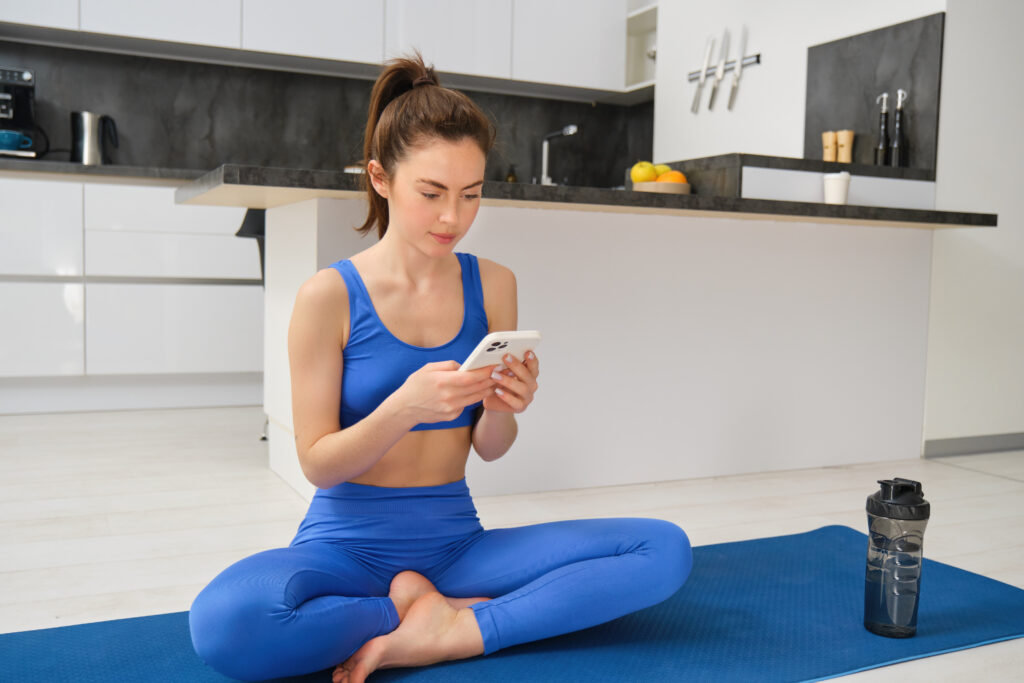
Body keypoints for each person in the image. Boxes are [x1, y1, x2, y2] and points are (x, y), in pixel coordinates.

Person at [189, 53, 693, 683]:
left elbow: (490, 447)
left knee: (663, 549)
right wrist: (404, 407)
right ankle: (408, 609)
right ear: (381, 177)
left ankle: (458, 629)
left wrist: (506, 409)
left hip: (457, 544)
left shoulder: (495, 285)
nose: (452, 217)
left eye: (471, 194)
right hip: (345, 546)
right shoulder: (329, 296)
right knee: (225, 623)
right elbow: (317, 461)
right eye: (431, 193)